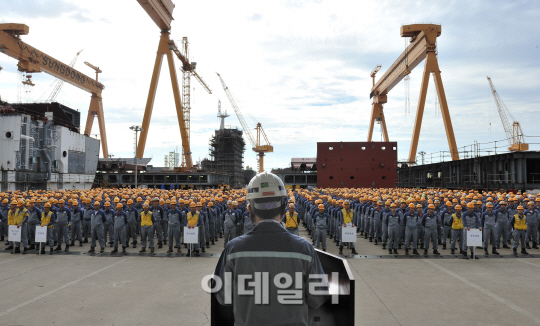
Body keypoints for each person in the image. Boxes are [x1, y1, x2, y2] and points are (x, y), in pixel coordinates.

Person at [214, 171, 328, 326]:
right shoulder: (304, 249)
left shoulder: (233, 250)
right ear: (284, 208)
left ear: (249, 209)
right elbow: (318, 297)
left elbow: (223, 296)